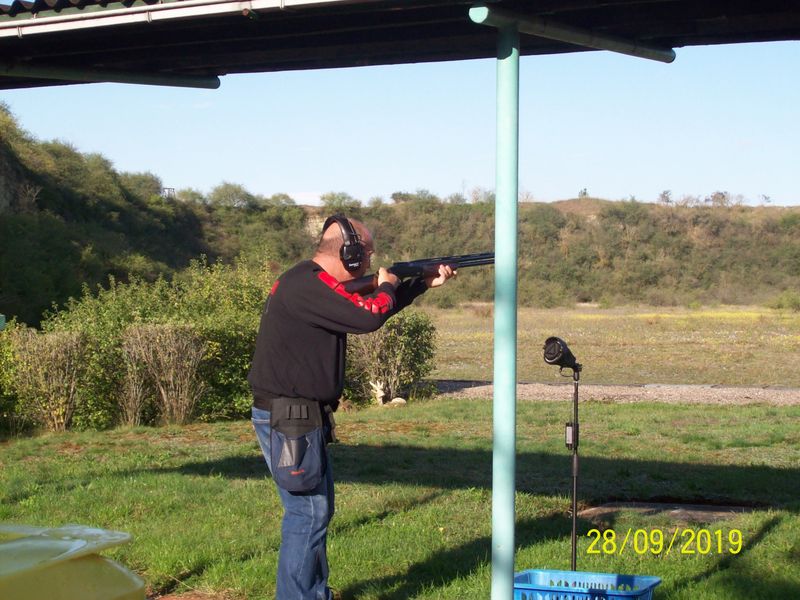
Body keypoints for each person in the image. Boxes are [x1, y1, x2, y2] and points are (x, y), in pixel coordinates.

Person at [248, 215, 455, 599]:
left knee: (315, 513)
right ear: (350, 253)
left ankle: (312, 593)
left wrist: (419, 284)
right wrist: (388, 283)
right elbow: (367, 316)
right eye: (368, 253)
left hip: (298, 414)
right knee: (307, 514)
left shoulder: (311, 281)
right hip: (292, 415)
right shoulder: (307, 285)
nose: (372, 259)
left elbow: (363, 309)